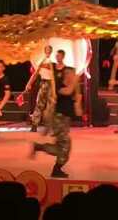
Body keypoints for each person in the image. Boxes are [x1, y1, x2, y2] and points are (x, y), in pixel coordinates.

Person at [30, 49, 75, 177]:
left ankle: (41, 149)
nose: (70, 77)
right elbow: (67, 91)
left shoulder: (65, 83)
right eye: (68, 75)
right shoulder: (58, 88)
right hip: (59, 117)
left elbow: (72, 91)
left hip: (64, 117)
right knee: (65, 146)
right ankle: (56, 168)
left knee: (62, 146)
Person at [25, 44, 55, 133]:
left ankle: (50, 126)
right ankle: (34, 124)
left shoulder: (53, 61)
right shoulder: (42, 61)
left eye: (49, 49)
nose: (48, 51)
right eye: (46, 49)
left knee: (51, 105)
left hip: (51, 84)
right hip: (43, 83)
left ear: (51, 51)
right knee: (39, 104)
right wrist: (29, 83)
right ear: (45, 51)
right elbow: (35, 74)